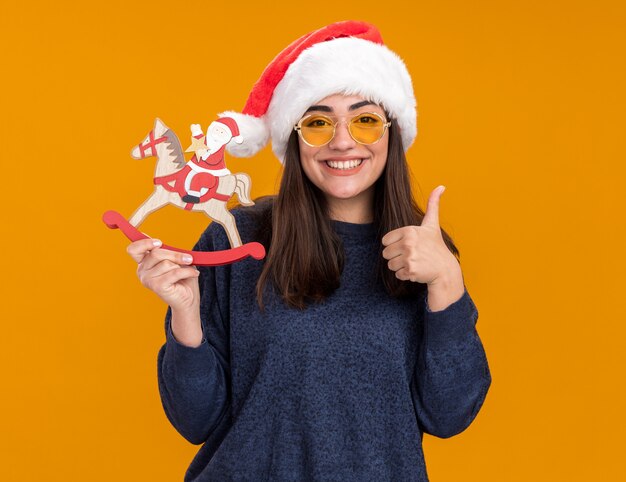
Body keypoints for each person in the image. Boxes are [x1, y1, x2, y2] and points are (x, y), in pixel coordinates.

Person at [126, 20, 491, 482]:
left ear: (391, 132)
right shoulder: (235, 240)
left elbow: (450, 414)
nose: (342, 141)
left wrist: (447, 284)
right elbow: (195, 420)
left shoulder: (426, 253)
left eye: (365, 120)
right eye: (318, 122)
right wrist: (185, 314)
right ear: (294, 138)